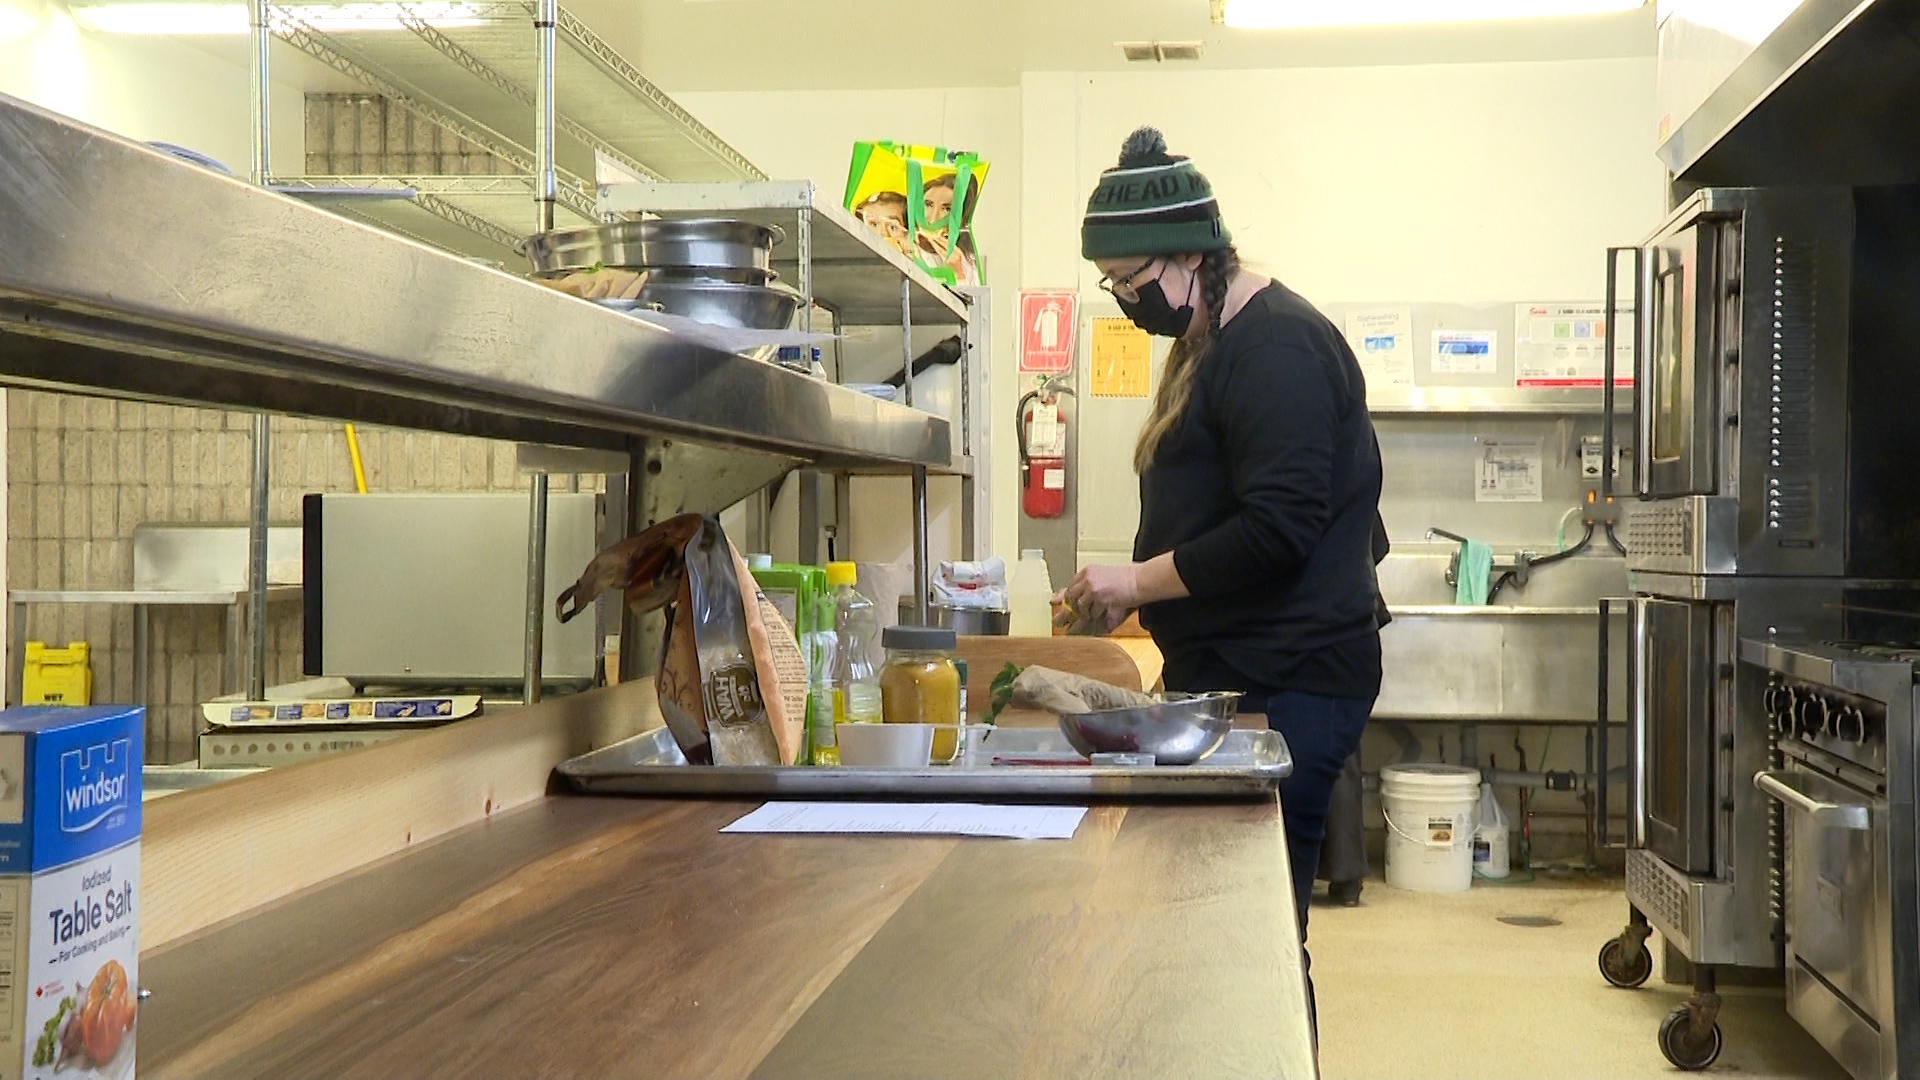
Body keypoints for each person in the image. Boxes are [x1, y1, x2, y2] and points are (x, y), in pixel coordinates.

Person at [1057, 126, 1384, 1037]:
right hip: (1243, 675)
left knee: (1258, 928)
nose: (1126, 303)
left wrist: (1135, 581)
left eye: (1132, 282)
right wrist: (1134, 589)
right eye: (1110, 286)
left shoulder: (1275, 349)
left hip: (1293, 681)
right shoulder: (1208, 341)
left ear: (1193, 254)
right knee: (1220, 921)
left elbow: (1276, 531)